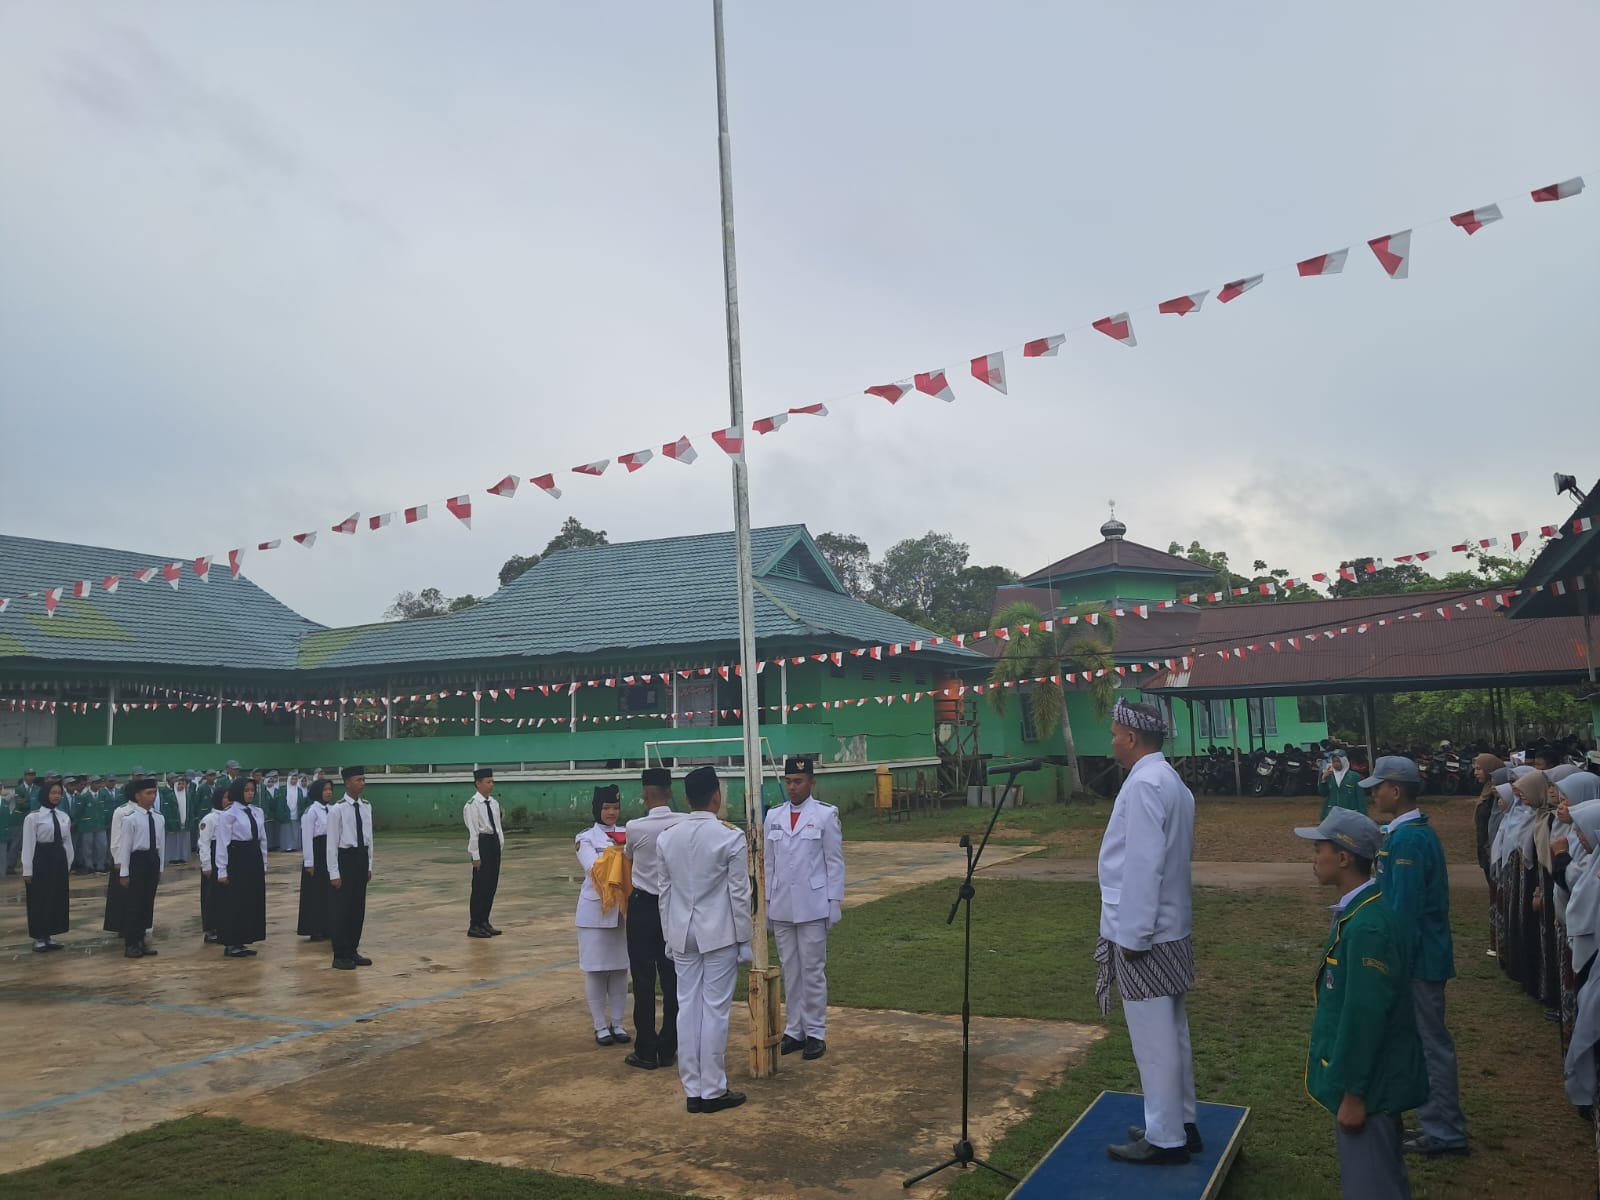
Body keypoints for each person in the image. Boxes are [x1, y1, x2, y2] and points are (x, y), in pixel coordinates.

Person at [1296, 808, 1428, 1199]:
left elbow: (1365, 1015)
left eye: (1319, 847)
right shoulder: (1360, 911)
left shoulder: (1369, 926)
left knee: (1371, 1185)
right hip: (1372, 1081)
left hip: (1370, 1089)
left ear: (1343, 857)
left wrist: (1353, 1095)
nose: (1313, 856)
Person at [1097, 700, 1199, 1166]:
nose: (1113, 740)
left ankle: (1165, 1138)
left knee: (1153, 1041)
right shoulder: (1170, 780)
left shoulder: (1143, 785)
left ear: (1132, 739)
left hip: (1147, 934)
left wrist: (1132, 937)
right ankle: (1181, 1121)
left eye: (1116, 733)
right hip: (1171, 926)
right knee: (1173, 1032)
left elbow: (1143, 864)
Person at [1363, 755, 1467, 1157]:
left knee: (1429, 1045)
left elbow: (1403, 911)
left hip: (1417, 958)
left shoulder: (1408, 840)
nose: (1374, 794)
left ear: (1397, 789)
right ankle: (1436, 1125)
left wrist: (1390, 960)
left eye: (1378, 787)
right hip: (1419, 954)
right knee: (1422, 1041)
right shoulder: (1405, 834)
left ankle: (1445, 1132)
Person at [657, 765, 752, 1113]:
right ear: (717, 795)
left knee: (687, 1008)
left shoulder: (668, 836)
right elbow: (739, 894)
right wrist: (745, 940)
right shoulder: (730, 836)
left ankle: (693, 1087)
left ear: (686, 798)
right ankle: (712, 1089)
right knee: (714, 1011)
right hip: (718, 934)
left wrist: (669, 934)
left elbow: (664, 893)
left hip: (682, 932)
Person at [763, 756, 845, 1062]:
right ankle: (794, 1029)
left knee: (812, 971)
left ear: (811, 782)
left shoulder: (825, 815)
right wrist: (768, 904)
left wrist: (833, 902)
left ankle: (816, 1032)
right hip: (783, 905)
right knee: (790, 970)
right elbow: (768, 863)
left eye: (798, 781)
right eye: (788, 781)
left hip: (813, 906)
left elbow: (833, 862)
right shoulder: (774, 816)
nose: (792, 787)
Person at [623, 767, 687, 1070]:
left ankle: (646, 1049)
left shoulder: (635, 827)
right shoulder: (684, 823)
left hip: (643, 907)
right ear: (670, 792)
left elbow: (629, 858)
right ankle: (669, 1045)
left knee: (644, 979)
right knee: (673, 978)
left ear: (646, 794)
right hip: (673, 906)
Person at [576, 784, 630, 1044]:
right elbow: (593, 867)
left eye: (616, 807)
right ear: (597, 809)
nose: (611, 812)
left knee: (620, 970)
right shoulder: (585, 838)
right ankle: (600, 1026)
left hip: (622, 913)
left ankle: (618, 1024)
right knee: (596, 970)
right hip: (595, 912)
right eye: (607, 807)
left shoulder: (629, 832)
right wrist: (620, 853)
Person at [215, 776, 269, 959]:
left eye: (252, 790)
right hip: (237, 859)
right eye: (246, 790)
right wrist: (222, 870)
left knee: (250, 900)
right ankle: (232, 942)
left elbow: (262, 839)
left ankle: (244, 939)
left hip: (253, 858)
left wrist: (264, 863)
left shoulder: (257, 812)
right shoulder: (229, 814)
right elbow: (222, 843)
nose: (250, 793)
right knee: (235, 901)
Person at [327, 765, 375, 970]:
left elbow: (369, 838)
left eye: (363, 779)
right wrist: (334, 872)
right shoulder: (337, 809)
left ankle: (353, 950)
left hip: (360, 858)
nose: (362, 783)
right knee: (342, 909)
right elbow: (331, 843)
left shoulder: (366, 806)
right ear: (347, 783)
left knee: (358, 908)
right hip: (345, 859)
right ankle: (340, 954)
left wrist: (369, 865)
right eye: (358, 780)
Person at [112, 777, 165, 959]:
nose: (152, 797)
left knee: (146, 903)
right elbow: (125, 847)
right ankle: (131, 943)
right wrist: (124, 872)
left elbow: (161, 844)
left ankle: (142, 941)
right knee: (133, 904)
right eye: (148, 793)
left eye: (154, 793)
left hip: (152, 860)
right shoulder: (130, 819)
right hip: (137, 861)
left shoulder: (159, 818)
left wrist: (160, 868)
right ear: (138, 796)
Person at [21, 778, 74, 952]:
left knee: (56, 898)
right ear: (45, 794)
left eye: (59, 793)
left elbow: (67, 842)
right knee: (39, 899)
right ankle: (39, 937)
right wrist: (27, 869)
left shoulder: (63, 816)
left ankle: (50, 935)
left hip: (58, 860)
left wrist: (67, 863)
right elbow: (28, 844)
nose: (56, 796)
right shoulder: (33, 817)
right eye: (53, 792)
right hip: (41, 859)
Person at [463, 767, 506, 939]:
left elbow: (498, 827)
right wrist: (475, 856)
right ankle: (475, 924)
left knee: (491, 885)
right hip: (482, 843)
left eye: (492, 781)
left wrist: (500, 845)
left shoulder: (494, 803)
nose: (491, 785)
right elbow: (473, 832)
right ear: (478, 784)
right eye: (488, 782)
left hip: (493, 844)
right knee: (480, 887)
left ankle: (485, 921)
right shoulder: (472, 805)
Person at [297, 778, 335, 942]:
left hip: (329, 852)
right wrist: (309, 862)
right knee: (315, 893)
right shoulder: (311, 811)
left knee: (329, 891)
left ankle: (328, 925)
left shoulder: (333, 809)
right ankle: (315, 927)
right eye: (325, 789)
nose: (328, 792)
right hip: (317, 853)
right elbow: (306, 838)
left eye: (330, 789)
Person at [197, 783, 233, 944]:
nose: (228, 801)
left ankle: (224, 924)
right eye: (225, 797)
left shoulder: (231, 816)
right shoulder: (210, 819)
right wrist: (206, 865)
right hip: (212, 857)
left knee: (225, 894)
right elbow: (203, 843)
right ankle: (211, 929)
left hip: (226, 856)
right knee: (211, 895)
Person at [1319, 749, 1367, 820]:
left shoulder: (1354, 777)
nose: (1335, 764)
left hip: (1350, 815)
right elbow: (1323, 793)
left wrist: (1363, 816)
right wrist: (1323, 780)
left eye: (1338, 761)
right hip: (1332, 814)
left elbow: (1361, 798)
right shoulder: (1329, 776)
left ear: (1344, 761)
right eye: (1334, 761)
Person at [77, 775, 108, 874]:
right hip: (87, 826)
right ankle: (89, 866)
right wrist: (80, 823)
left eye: (99, 783)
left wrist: (106, 822)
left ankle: (100, 865)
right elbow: (79, 812)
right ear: (90, 784)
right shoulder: (84, 796)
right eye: (96, 783)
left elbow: (106, 810)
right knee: (87, 847)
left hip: (100, 825)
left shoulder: (103, 794)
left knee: (103, 845)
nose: (99, 785)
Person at [162, 772, 192, 864]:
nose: (181, 786)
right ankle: (173, 858)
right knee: (174, 841)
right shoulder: (170, 796)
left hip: (184, 822)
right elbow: (167, 811)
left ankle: (182, 857)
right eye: (179, 784)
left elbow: (190, 809)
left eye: (183, 784)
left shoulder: (187, 796)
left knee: (183, 840)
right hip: (174, 823)